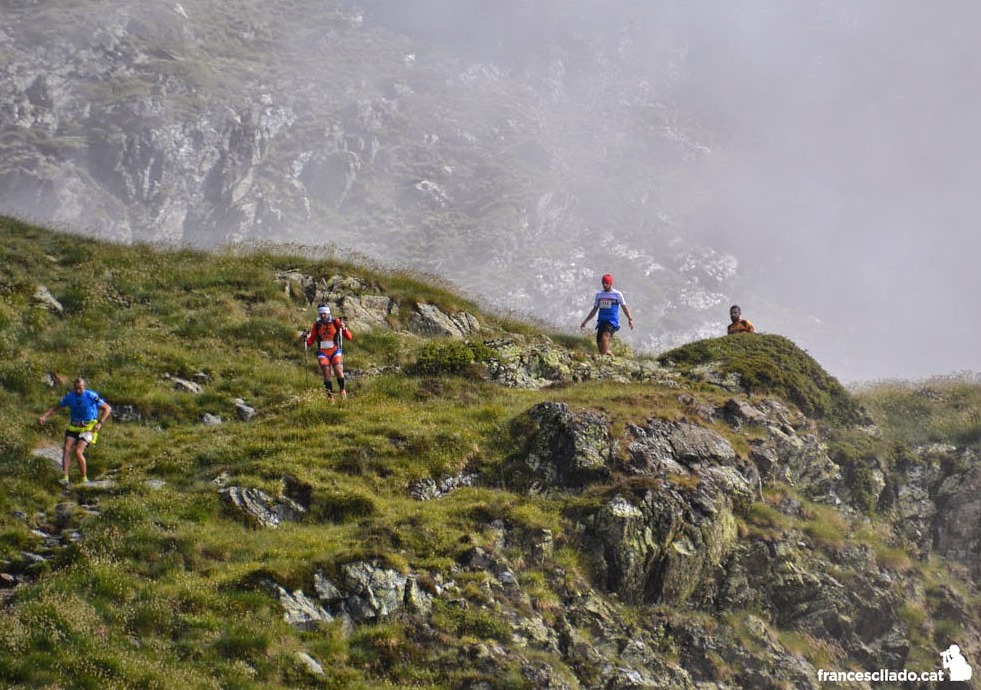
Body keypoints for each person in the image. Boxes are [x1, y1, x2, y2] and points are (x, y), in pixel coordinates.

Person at [37, 377, 111, 485]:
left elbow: (107, 408)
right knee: (66, 449)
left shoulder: (91, 396)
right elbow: (56, 408)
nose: (78, 391)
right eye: (76, 388)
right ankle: (65, 477)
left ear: (84, 387)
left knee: (78, 451)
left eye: (80, 388)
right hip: (74, 426)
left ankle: (84, 479)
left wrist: (100, 423)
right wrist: (44, 417)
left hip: (89, 427)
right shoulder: (70, 397)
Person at [302, 304, 353, 402]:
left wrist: (344, 328)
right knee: (326, 372)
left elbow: (349, 337)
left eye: (324, 313)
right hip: (323, 353)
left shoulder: (336, 322)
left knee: (338, 369)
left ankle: (342, 390)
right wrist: (304, 339)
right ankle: (330, 397)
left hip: (335, 350)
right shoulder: (317, 325)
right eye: (321, 314)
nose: (322, 316)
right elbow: (310, 341)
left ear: (328, 313)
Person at [580, 273, 634, 356]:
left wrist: (630, 319)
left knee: (605, 338)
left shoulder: (617, 294)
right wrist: (585, 321)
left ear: (611, 284)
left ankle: (603, 361)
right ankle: (609, 354)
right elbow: (594, 309)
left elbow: (624, 307)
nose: (604, 285)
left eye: (606, 283)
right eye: (603, 283)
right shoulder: (599, 295)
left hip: (612, 321)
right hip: (601, 321)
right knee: (601, 345)